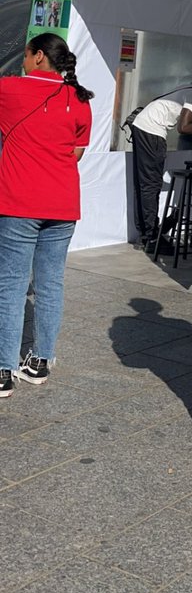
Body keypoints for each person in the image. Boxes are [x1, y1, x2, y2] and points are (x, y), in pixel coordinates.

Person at [0, 33, 93, 399]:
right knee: (50, 284)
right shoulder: (79, 99)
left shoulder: (10, 90)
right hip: (63, 203)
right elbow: (76, 154)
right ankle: (39, 362)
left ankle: (4, 370)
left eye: (26, 55)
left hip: (19, 202)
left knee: (11, 285)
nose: (23, 62)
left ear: (38, 56)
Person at [131, 74, 192, 248]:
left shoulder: (191, 88)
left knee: (144, 184)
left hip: (142, 125)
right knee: (151, 185)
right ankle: (152, 237)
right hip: (152, 131)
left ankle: (145, 234)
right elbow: (183, 127)